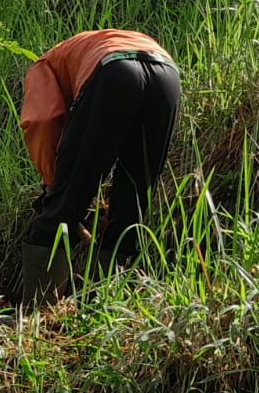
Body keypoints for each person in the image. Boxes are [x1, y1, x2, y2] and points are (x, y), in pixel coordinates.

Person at [18, 29, 181, 305]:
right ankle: (104, 308)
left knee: (63, 203)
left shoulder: (43, 65)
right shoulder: (80, 48)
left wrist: (51, 183)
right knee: (132, 204)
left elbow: (42, 121)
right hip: (167, 74)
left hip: (113, 71)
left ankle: (36, 315)